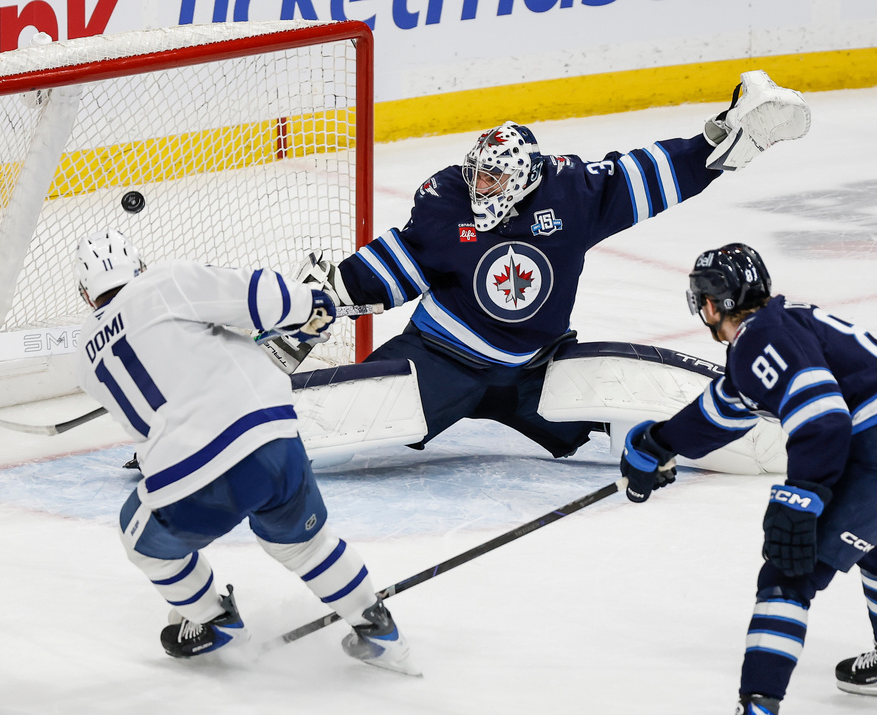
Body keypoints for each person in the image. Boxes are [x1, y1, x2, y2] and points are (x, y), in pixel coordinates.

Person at [298, 70, 811, 460]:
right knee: (356, 430)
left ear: (522, 180)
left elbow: (645, 176)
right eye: (477, 176)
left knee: (590, 439)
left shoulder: (573, 194)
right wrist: (330, 295)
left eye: (492, 182)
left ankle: (754, 433)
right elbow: (405, 258)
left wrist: (718, 143)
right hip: (441, 356)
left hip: (536, 368)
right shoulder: (446, 198)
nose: (479, 189)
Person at [72, 228, 418, 675]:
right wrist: (309, 305)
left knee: (141, 540)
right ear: (138, 267)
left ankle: (217, 622)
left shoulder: (84, 356)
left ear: (86, 294)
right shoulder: (163, 281)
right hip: (271, 438)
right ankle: (381, 634)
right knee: (306, 547)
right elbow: (255, 294)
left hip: (188, 471)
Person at [619, 243, 877, 713]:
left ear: (712, 304)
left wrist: (803, 498)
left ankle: (758, 705)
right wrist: (658, 443)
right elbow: (725, 408)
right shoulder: (780, 325)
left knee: (786, 573)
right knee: (872, 542)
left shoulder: (759, 340)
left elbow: (823, 420)